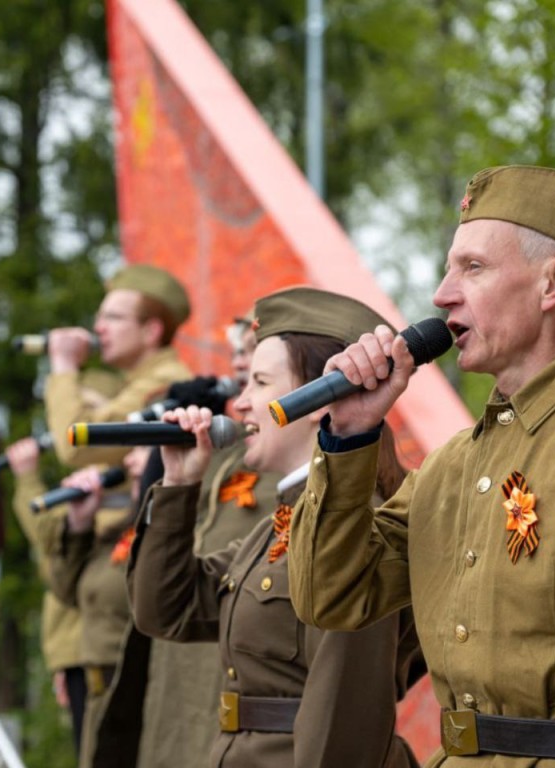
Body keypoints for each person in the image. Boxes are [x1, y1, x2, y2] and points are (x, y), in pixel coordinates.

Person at [286, 165, 555, 764]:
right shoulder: (450, 468)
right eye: (450, 268)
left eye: (473, 268)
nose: (441, 294)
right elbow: (330, 597)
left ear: (554, 283)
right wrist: (350, 434)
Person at [126, 286, 423, 768]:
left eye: (259, 383)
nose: (239, 404)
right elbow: (167, 608)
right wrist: (179, 483)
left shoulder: (358, 524)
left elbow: (344, 715)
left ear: (322, 401)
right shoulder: (281, 520)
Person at [92, 312, 282, 768]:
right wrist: (171, 475)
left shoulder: (286, 464)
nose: (235, 365)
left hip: (236, 689)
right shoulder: (222, 455)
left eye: (252, 357)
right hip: (177, 666)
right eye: (235, 355)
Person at [42, 263, 193, 768]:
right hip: (94, 618)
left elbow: (77, 442)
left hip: (122, 628)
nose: (98, 327)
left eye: (114, 317)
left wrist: (63, 369)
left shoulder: (166, 386)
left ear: (151, 330)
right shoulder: (129, 385)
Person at [3, 367, 123, 753]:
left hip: (98, 645)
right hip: (75, 645)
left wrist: (28, 482)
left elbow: (47, 533)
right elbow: (56, 557)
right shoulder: (88, 477)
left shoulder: (119, 473)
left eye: (87, 410)